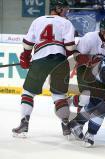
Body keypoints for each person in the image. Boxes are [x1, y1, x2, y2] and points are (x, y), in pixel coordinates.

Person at [12, 0, 76, 137]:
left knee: (28, 93)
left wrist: (26, 58)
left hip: (40, 60)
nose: (66, 12)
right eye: (65, 9)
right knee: (59, 96)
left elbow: (28, 43)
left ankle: (24, 123)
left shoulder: (38, 20)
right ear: (58, 9)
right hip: (60, 61)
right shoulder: (66, 23)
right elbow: (70, 47)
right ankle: (66, 125)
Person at [69, 18, 105, 110]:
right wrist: (88, 61)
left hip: (101, 73)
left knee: (101, 99)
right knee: (86, 97)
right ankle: (73, 109)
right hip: (85, 70)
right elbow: (76, 54)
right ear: (102, 30)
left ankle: (75, 106)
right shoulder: (90, 37)